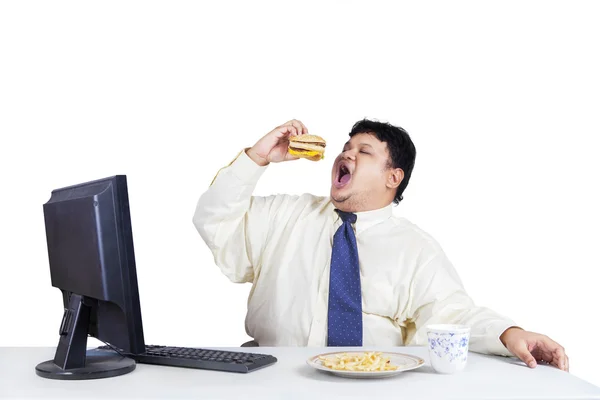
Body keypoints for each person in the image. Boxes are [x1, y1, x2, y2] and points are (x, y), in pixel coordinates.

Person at [192, 119, 569, 371]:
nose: (346, 154)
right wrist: (257, 159)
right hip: (270, 375)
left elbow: (452, 315)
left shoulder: (415, 249)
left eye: (364, 151)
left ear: (394, 176)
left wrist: (510, 334)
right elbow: (216, 219)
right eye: (346, 147)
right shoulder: (285, 215)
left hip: (372, 387)